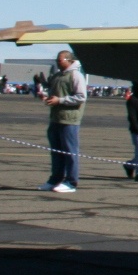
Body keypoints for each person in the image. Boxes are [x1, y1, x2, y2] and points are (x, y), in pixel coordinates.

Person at [39, 50, 86, 193]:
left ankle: (71, 182)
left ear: (68, 60)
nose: (57, 63)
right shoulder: (58, 76)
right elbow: (56, 94)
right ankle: (55, 179)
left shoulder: (76, 75)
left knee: (70, 152)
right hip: (56, 118)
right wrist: (46, 96)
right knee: (56, 152)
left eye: (59, 60)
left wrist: (60, 100)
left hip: (70, 120)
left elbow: (81, 97)